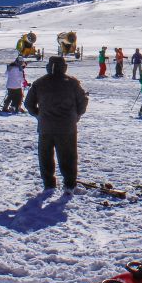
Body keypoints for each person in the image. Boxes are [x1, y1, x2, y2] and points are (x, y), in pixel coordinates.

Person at [25, 56, 89, 194]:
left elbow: (28, 104)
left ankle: (49, 184)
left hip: (46, 127)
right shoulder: (72, 83)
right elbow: (83, 101)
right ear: (64, 67)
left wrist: (39, 115)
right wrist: (76, 115)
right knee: (68, 156)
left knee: (45, 156)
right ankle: (69, 184)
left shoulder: (39, 83)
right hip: (67, 127)